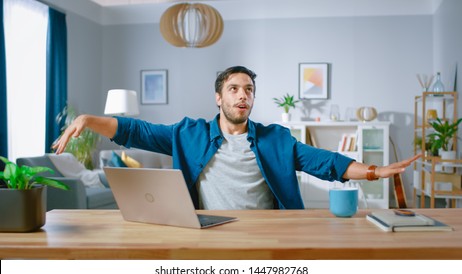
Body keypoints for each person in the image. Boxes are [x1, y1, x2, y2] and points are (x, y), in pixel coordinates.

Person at [53, 66, 419, 210]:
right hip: (207, 229)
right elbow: (137, 131)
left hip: (268, 231)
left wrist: (374, 171)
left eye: (248, 89)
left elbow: (325, 162)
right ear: (219, 97)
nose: (242, 95)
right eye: (233, 89)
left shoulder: (277, 140)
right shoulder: (188, 133)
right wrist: (87, 119)